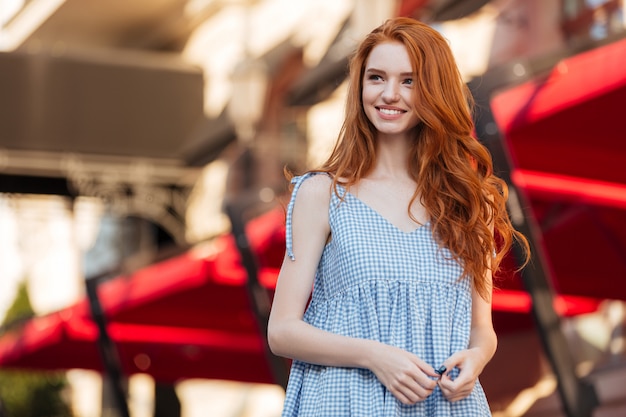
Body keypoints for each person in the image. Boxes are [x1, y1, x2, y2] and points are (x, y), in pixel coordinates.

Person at [267, 16, 529, 416]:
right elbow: (282, 330)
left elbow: (482, 331)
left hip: (445, 404)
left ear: (434, 91)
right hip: (348, 402)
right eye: (376, 78)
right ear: (360, 88)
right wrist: (375, 356)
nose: (390, 94)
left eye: (409, 81)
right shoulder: (323, 194)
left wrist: (476, 359)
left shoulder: (466, 201)